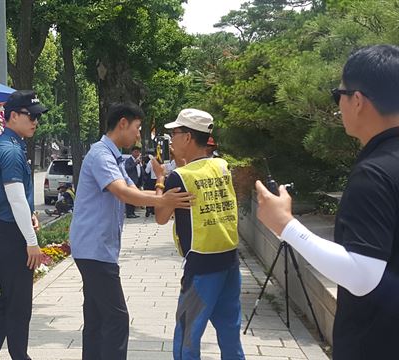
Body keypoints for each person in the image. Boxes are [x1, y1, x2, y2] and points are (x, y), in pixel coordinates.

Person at [255, 45, 399, 360]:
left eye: (339, 95)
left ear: (358, 101)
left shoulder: (374, 173)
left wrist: (286, 225)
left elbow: (362, 274)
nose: (338, 106)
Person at [70, 102, 195, 360]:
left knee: (95, 318)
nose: (139, 134)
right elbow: (124, 193)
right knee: (117, 319)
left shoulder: (112, 156)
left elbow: (137, 193)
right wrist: (163, 201)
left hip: (96, 249)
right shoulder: (100, 155)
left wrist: (161, 186)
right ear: (123, 123)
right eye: (137, 128)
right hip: (94, 250)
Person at [154, 109, 244, 360]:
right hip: (229, 261)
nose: (171, 138)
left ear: (188, 137)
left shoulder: (179, 177)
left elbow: (161, 217)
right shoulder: (222, 166)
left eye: (175, 133)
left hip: (201, 266)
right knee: (229, 333)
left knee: (187, 337)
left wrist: (160, 179)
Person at [0, 90, 47, 360]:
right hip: (12, 235)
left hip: (5, 231)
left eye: (37, 117)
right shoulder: (11, 151)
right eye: (31, 116)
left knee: (8, 303)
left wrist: (29, 215)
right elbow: (16, 199)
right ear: (13, 116)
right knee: (19, 307)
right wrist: (32, 242)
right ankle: (20, 356)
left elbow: (18, 201)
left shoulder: (5, 144)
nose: (35, 122)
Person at [124, 145, 143, 218]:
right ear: (132, 152)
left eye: (138, 152)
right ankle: (129, 213)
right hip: (131, 181)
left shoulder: (139, 161)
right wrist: (135, 163)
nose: (137, 154)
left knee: (134, 197)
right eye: (135, 152)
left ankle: (133, 212)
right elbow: (127, 169)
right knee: (129, 197)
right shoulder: (129, 161)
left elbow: (141, 171)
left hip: (137, 181)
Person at [143, 151, 157, 217]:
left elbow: (147, 170)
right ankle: (154, 209)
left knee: (149, 194)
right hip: (158, 180)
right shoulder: (160, 160)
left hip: (151, 180)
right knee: (156, 194)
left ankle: (148, 208)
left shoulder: (150, 161)